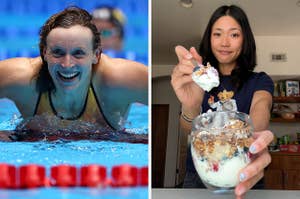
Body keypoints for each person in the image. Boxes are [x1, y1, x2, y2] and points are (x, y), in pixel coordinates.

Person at [171, 5, 274, 199]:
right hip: (199, 175)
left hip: (246, 170)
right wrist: (191, 105)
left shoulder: (259, 80)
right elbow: (188, 131)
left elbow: (261, 109)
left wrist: (253, 142)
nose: (225, 42)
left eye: (234, 35)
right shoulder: (197, 80)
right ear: (209, 39)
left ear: (245, 40)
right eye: (217, 34)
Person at [0, 6, 147, 132]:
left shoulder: (118, 79)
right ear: (44, 53)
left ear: (96, 55)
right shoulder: (22, 78)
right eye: (58, 52)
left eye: (78, 53)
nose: (67, 64)